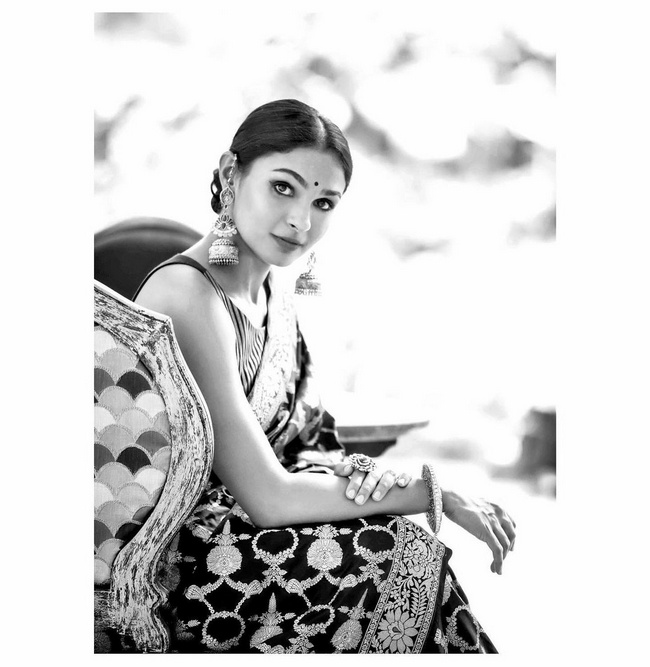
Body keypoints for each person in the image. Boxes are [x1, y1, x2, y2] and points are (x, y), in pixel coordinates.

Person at [133, 99, 516, 654]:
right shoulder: (187, 295)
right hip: (182, 565)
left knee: (404, 547)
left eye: (324, 202)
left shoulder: (271, 294)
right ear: (229, 173)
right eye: (282, 188)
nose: (302, 221)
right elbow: (269, 496)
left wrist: (371, 482)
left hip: (253, 531)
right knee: (392, 552)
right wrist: (436, 492)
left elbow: (307, 445)